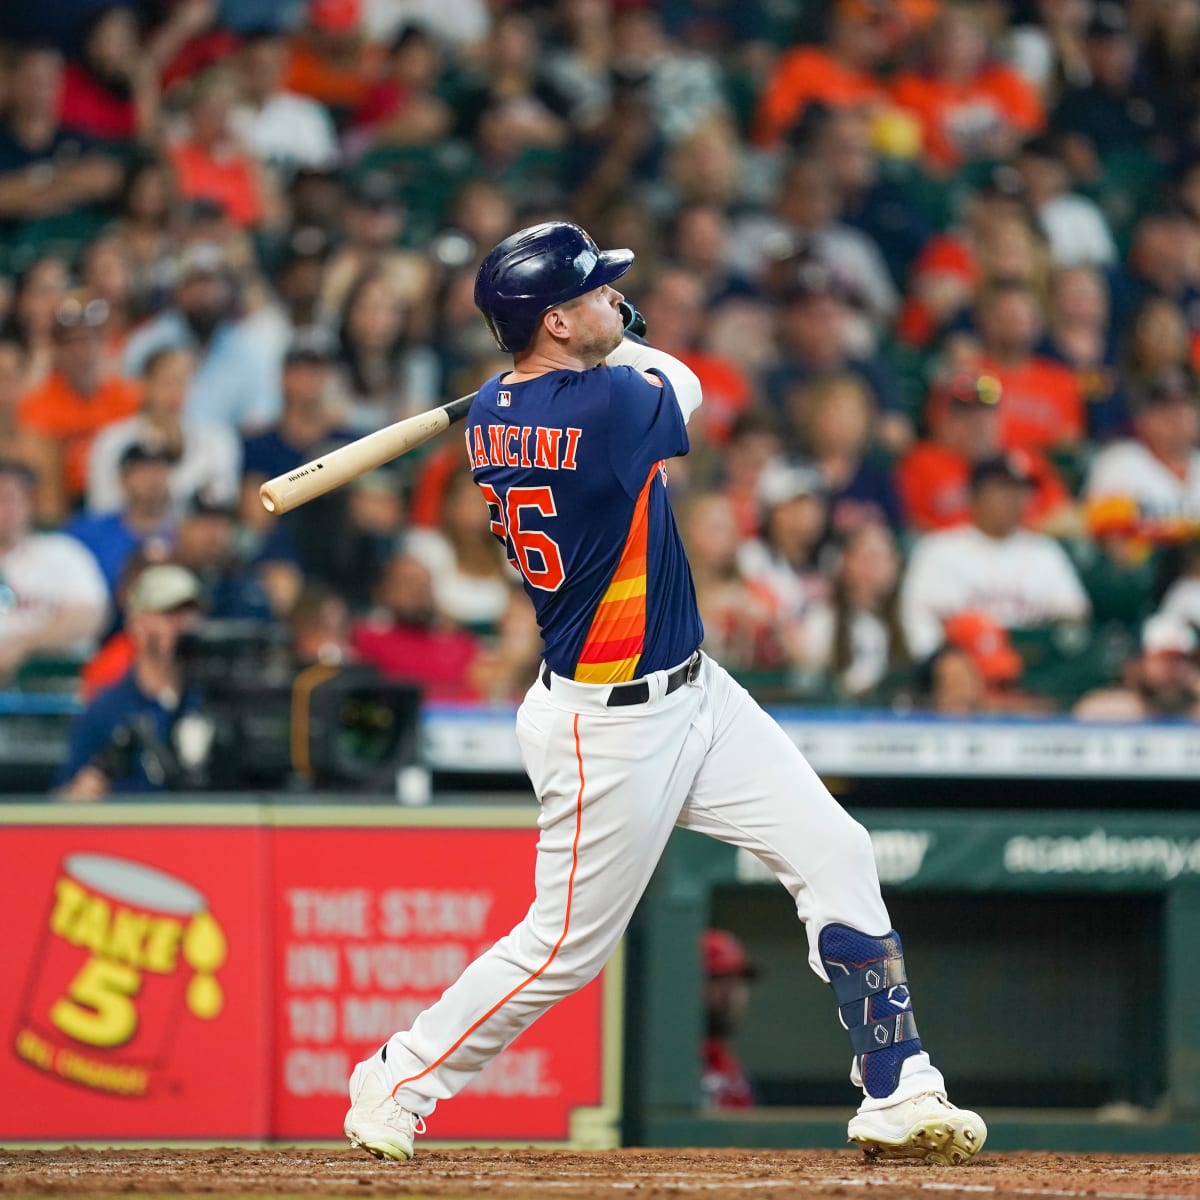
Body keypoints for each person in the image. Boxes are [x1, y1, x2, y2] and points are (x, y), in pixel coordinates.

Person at [343, 221, 986, 1165]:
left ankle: (897, 1084)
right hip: (604, 724)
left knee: (836, 848)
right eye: (598, 292)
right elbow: (682, 381)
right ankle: (397, 1076)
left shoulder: (493, 411)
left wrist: (592, 331)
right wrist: (624, 333)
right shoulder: (604, 409)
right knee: (564, 949)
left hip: (696, 691)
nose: (618, 299)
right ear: (553, 323)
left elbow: (597, 362)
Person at [900, 451, 1091, 659]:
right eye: (1005, 489)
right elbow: (919, 624)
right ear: (976, 494)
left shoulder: (1046, 551)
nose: (1015, 499)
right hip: (966, 671)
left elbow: (1075, 616)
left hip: (1037, 670)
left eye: (1022, 490)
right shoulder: (938, 549)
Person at [54, 563, 204, 799]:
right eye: (169, 614)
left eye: (190, 614)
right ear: (137, 624)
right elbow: (63, 796)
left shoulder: (209, 701)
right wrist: (83, 791)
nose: (183, 625)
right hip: (133, 832)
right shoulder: (107, 708)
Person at [17, 291, 141, 506]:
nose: (79, 352)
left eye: (86, 341)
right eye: (70, 344)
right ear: (57, 350)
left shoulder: (127, 398)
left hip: (118, 499)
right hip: (64, 500)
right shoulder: (36, 404)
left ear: (100, 344)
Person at [87, 346, 241, 515]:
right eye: (166, 382)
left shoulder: (218, 441)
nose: (175, 393)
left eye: (182, 381)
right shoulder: (112, 442)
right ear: (145, 386)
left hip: (195, 538)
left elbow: (221, 506)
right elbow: (102, 510)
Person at [0, 458, 108, 681]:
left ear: (30, 503)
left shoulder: (63, 553)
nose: (3, 509)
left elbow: (90, 618)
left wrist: (22, 645)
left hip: (56, 680)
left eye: (10, 498)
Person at [65, 440, 177, 598]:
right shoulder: (88, 533)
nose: (153, 480)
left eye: (160, 470)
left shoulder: (187, 536)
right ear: (123, 479)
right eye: (143, 471)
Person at [700, 928, 760, 1111]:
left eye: (738, 983)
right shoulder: (666, 1059)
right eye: (719, 981)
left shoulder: (729, 1067)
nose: (732, 995)